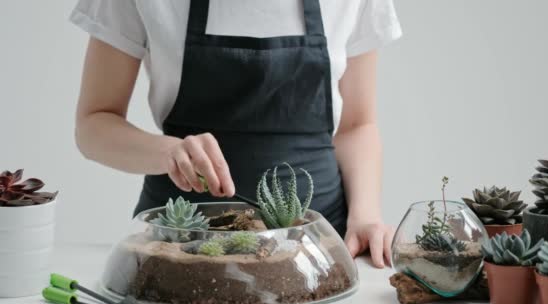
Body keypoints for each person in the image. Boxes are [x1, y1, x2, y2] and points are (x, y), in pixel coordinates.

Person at [71, 0, 401, 268]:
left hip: (317, 252)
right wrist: (168, 153)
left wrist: (366, 215)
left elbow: (358, 126)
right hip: (178, 250)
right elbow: (94, 124)